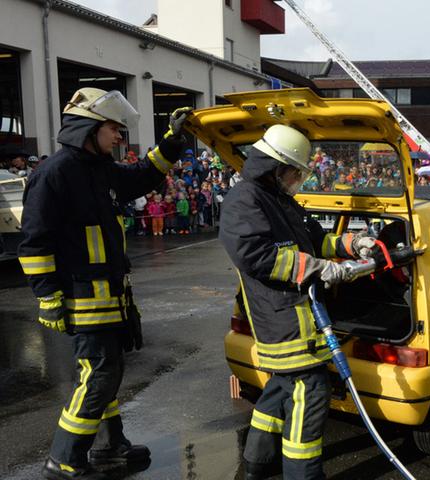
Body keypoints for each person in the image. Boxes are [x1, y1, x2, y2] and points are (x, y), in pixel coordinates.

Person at [17, 87, 192, 480]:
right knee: (99, 374)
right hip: (82, 297)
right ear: (88, 128)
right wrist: (47, 297)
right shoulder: (54, 173)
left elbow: (142, 176)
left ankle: (109, 446)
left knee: (107, 372)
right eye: (114, 128)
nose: (119, 137)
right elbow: (34, 242)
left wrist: (173, 141)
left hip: (111, 296)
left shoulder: (99, 169)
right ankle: (64, 459)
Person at [218, 125, 376, 480]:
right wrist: (319, 269)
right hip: (282, 322)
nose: (298, 179)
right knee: (311, 391)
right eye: (296, 172)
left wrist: (353, 245)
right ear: (277, 167)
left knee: (279, 389)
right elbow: (254, 255)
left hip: (293, 320)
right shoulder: (246, 199)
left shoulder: (279, 200)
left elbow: (315, 240)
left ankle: (257, 465)